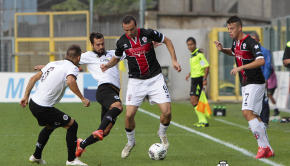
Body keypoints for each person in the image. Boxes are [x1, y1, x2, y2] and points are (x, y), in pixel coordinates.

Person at [101, 15, 181, 159]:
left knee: (167, 112)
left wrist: (174, 60)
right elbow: (117, 58)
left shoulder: (148, 34)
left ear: (136, 25)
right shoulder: (121, 42)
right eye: (126, 30)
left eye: (131, 29)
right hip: (136, 82)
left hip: (155, 78)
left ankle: (162, 133)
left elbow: (167, 41)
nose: (129, 32)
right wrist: (107, 65)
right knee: (129, 115)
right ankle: (130, 142)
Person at [214, 16, 274, 159]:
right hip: (246, 83)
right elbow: (234, 52)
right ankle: (268, 149)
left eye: (232, 28)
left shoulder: (250, 42)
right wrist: (222, 50)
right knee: (255, 116)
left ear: (240, 28)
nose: (230, 31)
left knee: (247, 112)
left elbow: (261, 60)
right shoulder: (236, 42)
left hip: (255, 82)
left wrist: (241, 67)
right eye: (228, 29)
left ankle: (262, 147)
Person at [20, 45, 90, 165]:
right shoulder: (73, 68)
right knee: (72, 125)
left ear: (66, 55)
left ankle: (36, 156)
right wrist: (82, 98)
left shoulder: (53, 63)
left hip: (33, 103)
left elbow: (32, 78)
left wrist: (25, 96)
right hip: (43, 108)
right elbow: (70, 81)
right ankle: (71, 160)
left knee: (50, 126)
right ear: (78, 58)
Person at [75, 32, 124, 157]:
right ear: (92, 44)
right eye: (98, 44)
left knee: (106, 131)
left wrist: (150, 44)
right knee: (118, 106)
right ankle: (99, 130)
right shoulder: (88, 56)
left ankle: (82, 144)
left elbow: (131, 52)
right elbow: (70, 60)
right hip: (104, 89)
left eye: (102, 43)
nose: (101, 46)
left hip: (114, 91)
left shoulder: (113, 53)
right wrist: (48, 66)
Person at [250, 32, 279, 123]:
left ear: (258, 40)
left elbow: (267, 66)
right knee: (253, 102)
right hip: (252, 80)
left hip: (261, 79)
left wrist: (265, 78)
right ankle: (255, 121)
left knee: (264, 100)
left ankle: (264, 121)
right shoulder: (249, 52)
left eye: (254, 39)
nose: (253, 41)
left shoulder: (265, 51)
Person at [185, 37, 210, 127]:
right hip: (194, 79)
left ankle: (203, 121)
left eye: (191, 44)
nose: (190, 46)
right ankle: (202, 121)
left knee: (194, 100)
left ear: (195, 44)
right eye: (188, 45)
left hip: (199, 79)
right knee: (194, 101)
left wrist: (204, 79)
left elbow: (206, 66)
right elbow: (196, 67)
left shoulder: (199, 55)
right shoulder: (193, 55)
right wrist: (189, 74)